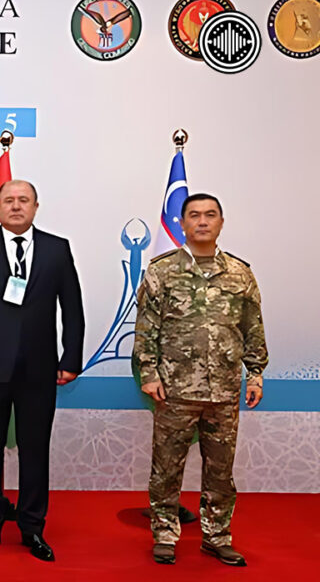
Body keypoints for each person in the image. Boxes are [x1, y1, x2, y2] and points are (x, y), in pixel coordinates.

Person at [0, 179, 84, 562]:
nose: (16, 206)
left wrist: (71, 358)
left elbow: (72, 307)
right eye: (9, 200)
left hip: (40, 371)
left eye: (24, 200)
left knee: (36, 451)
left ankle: (32, 527)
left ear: (36, 206)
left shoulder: (57, 248)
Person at [133, 193, 267, 567]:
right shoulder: (161, 271)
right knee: (166, 468)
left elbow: (252, 327)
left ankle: (217, 536)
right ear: (182, 223)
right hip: (174, 390)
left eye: (210, 215)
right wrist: (149, 373)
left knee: (221, 472)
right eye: (194, 215)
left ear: (221, 222)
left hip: (224, 391)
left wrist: (256, 373)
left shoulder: (240, 273)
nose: (203, 221)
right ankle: (164, 534)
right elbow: (146, 328)